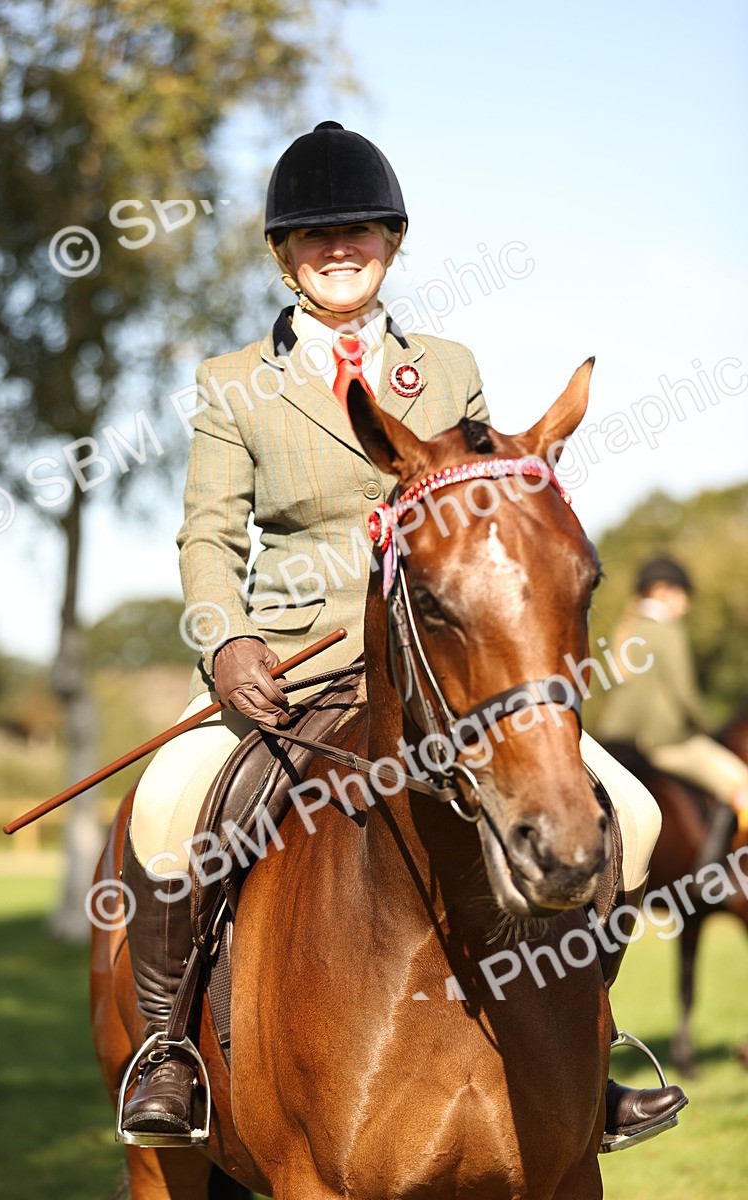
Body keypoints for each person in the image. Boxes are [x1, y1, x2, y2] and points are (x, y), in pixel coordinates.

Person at [118, 121, 685, 1147]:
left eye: (361, 232)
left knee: (631, 816)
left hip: (444, 664)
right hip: (289, 668)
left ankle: (588, 1047)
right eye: (317, 234)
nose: (340, 248)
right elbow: (206, 535)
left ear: (391, 242)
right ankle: (168, 1053)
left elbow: (480, 515)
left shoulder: (448, 365)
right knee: (165, 807)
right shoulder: (232, 381)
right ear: (285, 255)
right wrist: (227, 644)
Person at [598, 555, 748, 869]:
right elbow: (685, 694)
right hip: (665, 741)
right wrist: (708, 728)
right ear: (664, 591)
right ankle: (712, 871)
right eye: (683, 596)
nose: (686, 605)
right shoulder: (669, 631)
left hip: (614, 739)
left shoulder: (624, 630)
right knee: (741, 783)